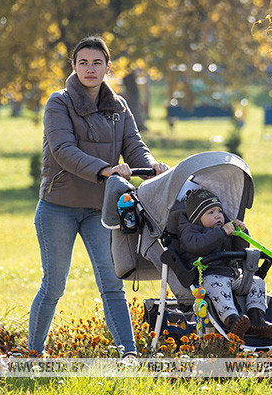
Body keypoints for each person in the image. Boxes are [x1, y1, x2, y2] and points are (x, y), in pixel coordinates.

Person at [28, 36, 169, 357]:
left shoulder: (119, 106)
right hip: (57, 209)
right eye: (83, 63)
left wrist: (151, 166)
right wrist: (107, 170)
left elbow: (134, 146)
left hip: (99, 211)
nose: (90, 69)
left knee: (111, 284)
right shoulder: (58, 103)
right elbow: (63, 151)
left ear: (108, 67)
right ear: (74, 67)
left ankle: (129, 354)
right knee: (53, 286)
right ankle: (33, 353)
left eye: (96, 63)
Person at [172, 188, 272, 338]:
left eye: (219, 211)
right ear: (196, 217)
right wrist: (221, 233)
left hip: (232, 274)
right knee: (218, 286)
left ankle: (257, 319)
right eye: (211, 213)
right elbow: (197, 245)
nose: (218, 216)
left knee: (257, 282)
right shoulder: (190, 231)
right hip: (207, 277)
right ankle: (232, 320)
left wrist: (241, 234)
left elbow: (240, 249)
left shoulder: (223, 229)